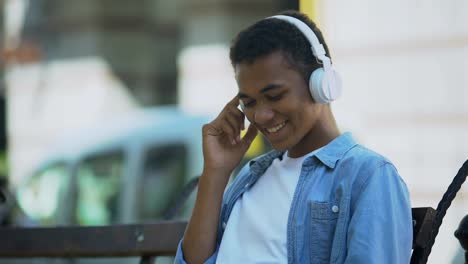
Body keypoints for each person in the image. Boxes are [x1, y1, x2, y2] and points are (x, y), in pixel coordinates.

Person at [175, 10, 412, 264]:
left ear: (321, 83)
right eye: (249, 102)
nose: (261, 115)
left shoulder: (367, 175)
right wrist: (216, 172)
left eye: (275, 96)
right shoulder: (251, 177)